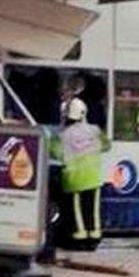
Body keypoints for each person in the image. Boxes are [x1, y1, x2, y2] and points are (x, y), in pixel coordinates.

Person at [50, 76, 111, 250]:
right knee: (93, 211)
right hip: (93, 178)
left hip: (74, 179)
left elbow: (54, 152)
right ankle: (94, 240)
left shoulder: (62, 135)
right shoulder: (94, 130)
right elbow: (106, 146)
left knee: (76, 213)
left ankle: (78, 240)